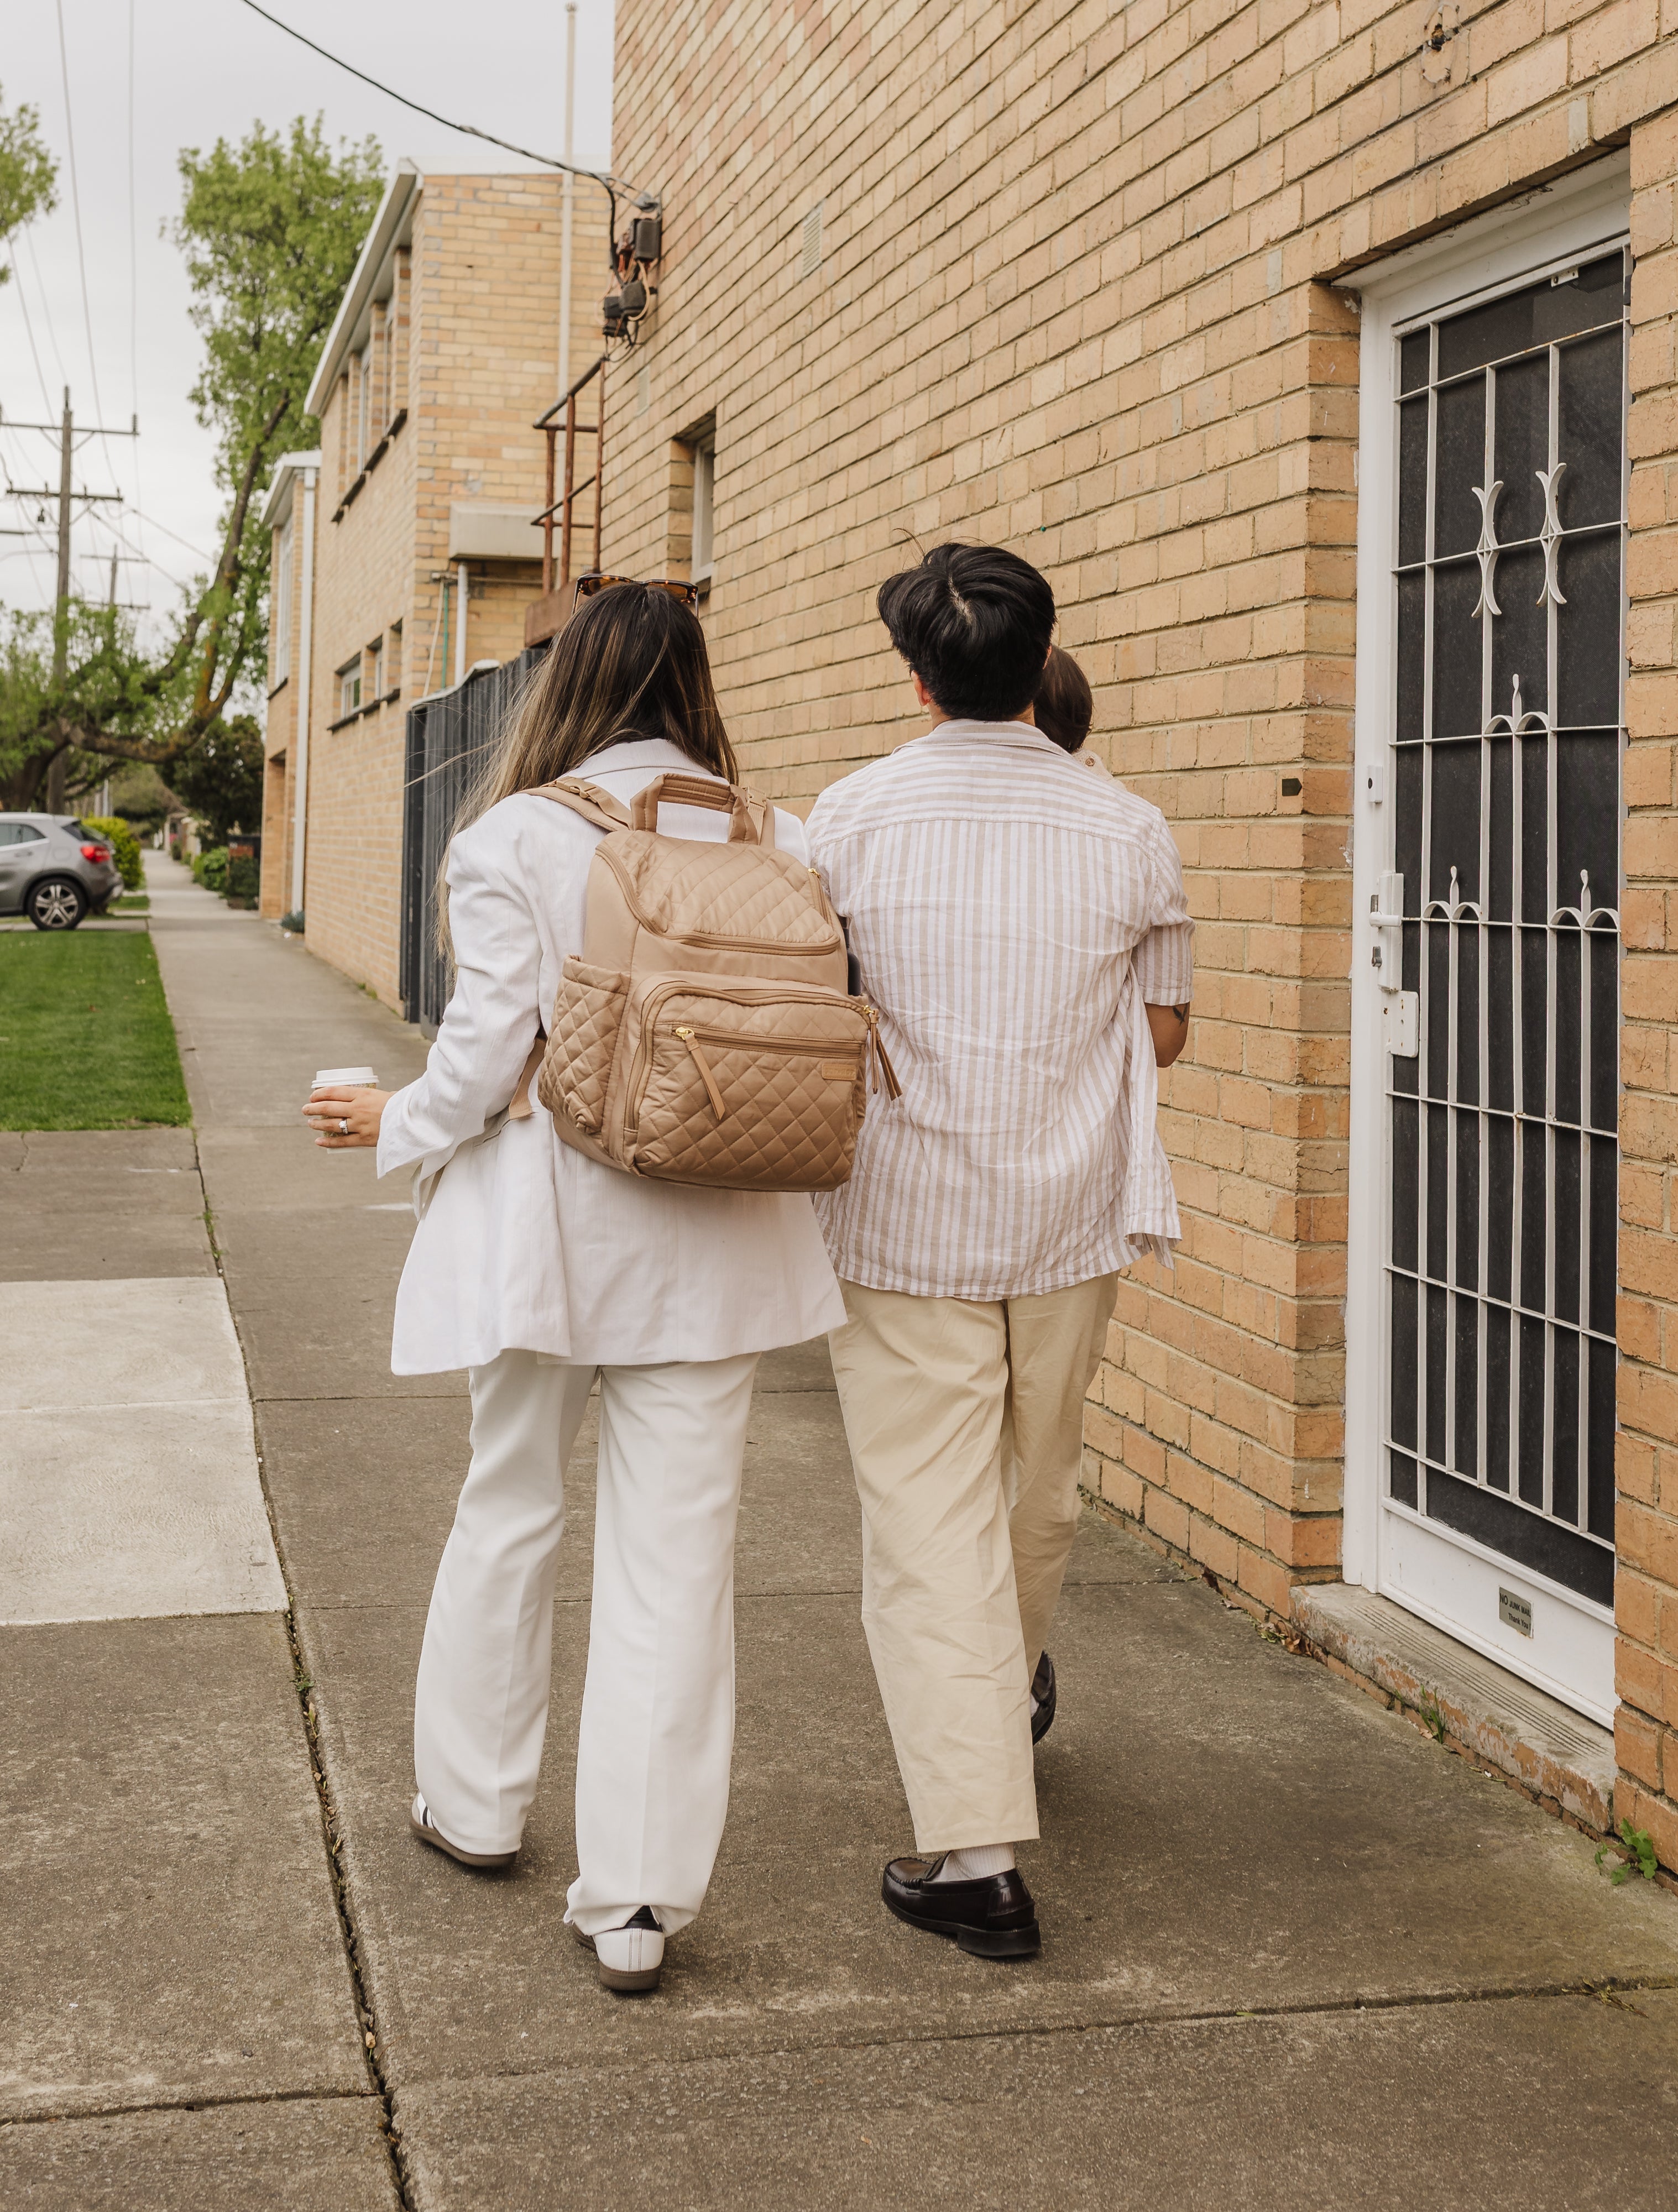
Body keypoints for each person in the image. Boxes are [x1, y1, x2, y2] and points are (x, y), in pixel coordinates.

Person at [303, 584, 845, 1995]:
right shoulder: (781, 840)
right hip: (722, 1243)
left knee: (510, 1506)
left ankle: (475, 1806)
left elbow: (487, 1056)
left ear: (568, 683)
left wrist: (394, 1122)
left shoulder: (515, 837)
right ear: (695, 682)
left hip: (551, 1234)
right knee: (678, 1563)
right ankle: (638, 1904)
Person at [805, 543, 1193, 1961]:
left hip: (902, 1219)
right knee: (1039, 1487)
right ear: (1042, 668)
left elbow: (818, 1008)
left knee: (928, 1519)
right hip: (1071, 1215)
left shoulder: (844, 821)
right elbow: (1164, 1031)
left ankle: (975, 1856)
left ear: (918, 678)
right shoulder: (1130, 829)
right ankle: (1002, 1682)